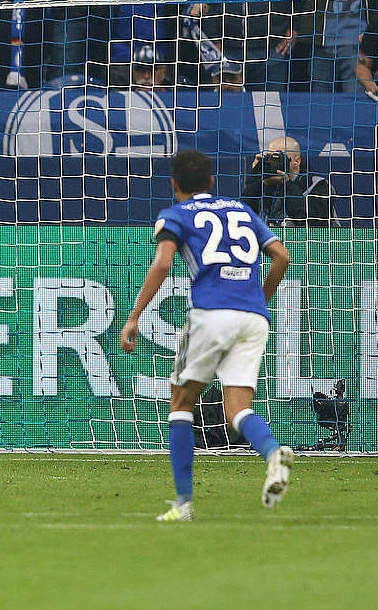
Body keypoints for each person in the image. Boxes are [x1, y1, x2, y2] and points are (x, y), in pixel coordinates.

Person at [119, 148, 293, 523]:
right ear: (211, 182)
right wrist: (258, 299)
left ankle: (183, 505)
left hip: (211, 314)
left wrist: (134, 317)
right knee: (238, 410)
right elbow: (281, 256)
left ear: (174, 184)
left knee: (181, 405)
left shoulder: (176, 215)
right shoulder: (241, 210)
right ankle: (274, 452)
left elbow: (164, 262)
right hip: (253, 319)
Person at [241, 135, 334, 227]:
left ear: (296, 161)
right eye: (270, 158)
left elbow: (313, 223)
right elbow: (244, 215)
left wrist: (285, 185)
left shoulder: (318, 185)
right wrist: (256, 177)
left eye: (278, 158)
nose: (273, 163)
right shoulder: (265, 183)